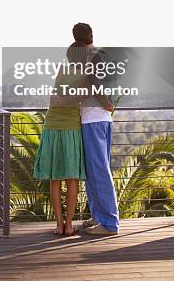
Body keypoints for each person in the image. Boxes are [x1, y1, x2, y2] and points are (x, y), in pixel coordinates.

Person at [33, 42, 87, 236]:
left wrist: (64, 98)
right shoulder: (86, 74)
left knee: (56, 178)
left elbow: (55, 99)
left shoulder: (63, 69)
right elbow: (63, 99)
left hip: (54, 124)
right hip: (70, 125)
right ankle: (68, 225)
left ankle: (59, 224)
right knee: (71, 178)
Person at [73, 22, 120, 236]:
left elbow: (93, 84)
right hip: (98, 119)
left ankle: (109, 224)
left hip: (94, 119)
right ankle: (98, 216)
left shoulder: (91, 57)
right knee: (94, 171)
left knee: (98, 171)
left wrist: (106, 104)